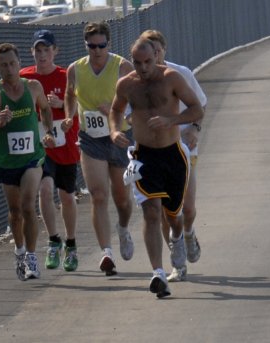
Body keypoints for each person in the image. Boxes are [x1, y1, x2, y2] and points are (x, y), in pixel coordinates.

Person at [109, 38, 204, 297]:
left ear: (157, 56)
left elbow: (197, 110)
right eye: (138, 63)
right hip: (143, 156)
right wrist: (115, 131)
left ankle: (177, 237)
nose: (143, 67)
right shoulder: (127, 83)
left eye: (148, 61)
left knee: (174, 215)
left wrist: (172, 120)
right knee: (151, 211)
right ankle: (158, 273)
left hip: (173, 155)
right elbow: (115, 110)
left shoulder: (172, 77)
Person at [62, 21, 134, 276]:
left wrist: (116, 110)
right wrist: (70, 115)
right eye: (91, 46)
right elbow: (70, 94)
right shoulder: (76, 69)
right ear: (86, 45)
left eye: (101, 45)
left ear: (109, 44)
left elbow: (136, 101)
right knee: (98, 195)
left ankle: (123, 229)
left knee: (122, 199)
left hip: (120, 137)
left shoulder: (122, 66)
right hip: (91, 139)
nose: (96, 50)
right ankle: (107, 253)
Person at [0, 43, 54, 281]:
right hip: (6, 161)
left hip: (32, 158)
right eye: (4, 65)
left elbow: (45, 108)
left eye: (12, 63)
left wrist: (48, 131)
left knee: (29, 205)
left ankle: (32, 257)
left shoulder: (33, 86)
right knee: (15, 211)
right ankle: (20, 251)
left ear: (19, 63)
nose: (9, 69)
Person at [139, 30, 207, 282]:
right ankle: (177, 264)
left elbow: (200, 106)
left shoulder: (181, 74)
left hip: (184, 150)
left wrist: (194, 130)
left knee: (187, 209)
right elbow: (125, 113)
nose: (152, 57)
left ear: (164, 50)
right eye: (147, 53)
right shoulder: (136, 81)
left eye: (156, 51)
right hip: (154, 154)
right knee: (167, 211)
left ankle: (188, 234)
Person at [20, 30, 80, 272]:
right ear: (31, 52)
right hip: (40, 146)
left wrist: (64, 107)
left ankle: (71, 243)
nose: (42, 55)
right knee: (44, 190)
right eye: (37, 50)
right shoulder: (25, 78)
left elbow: (79, 102)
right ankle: (54, 240)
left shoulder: (66, 75)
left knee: (66, 196)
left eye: (46, 50)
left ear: (55, 51)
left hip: (64, 144)